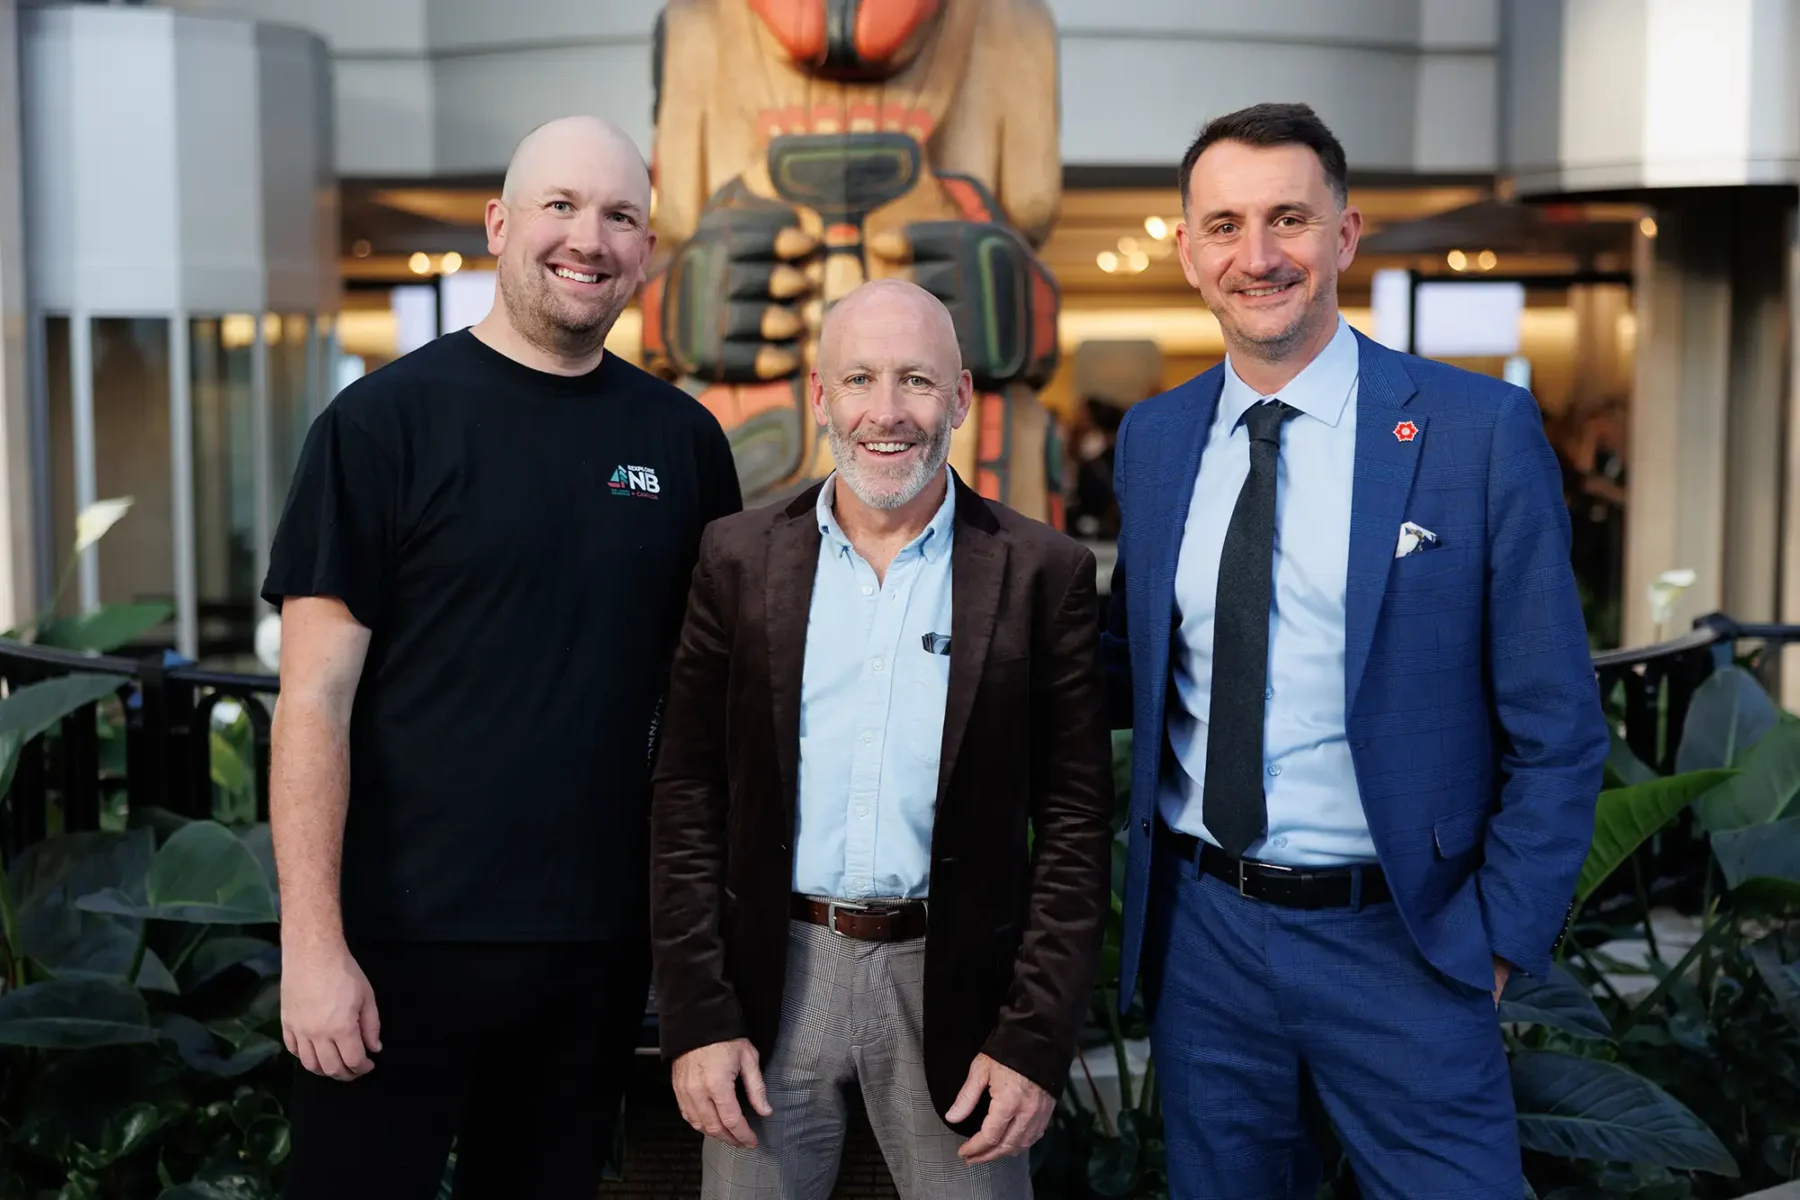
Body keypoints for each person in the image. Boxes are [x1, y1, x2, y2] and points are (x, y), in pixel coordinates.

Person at [1102, 103, 1608, 1198]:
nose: (1259, 254)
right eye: (1225, 224)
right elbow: (1123, 669)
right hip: (1208, 938)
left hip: (1406, 942)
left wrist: (1496, 946)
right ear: (1186, 250)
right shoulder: (1153, 441)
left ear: (1346, 233)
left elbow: (1558, 726)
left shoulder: (1477, 433)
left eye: (1290, 217)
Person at [264, 115, 743, 1199]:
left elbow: (705, 705)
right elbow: (312, 705)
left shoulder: (682, 444)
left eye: (622, 215)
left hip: (594, 952)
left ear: (648, 251)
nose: (591, 238)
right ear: (499, 226)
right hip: (393, 950)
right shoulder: (380, 427)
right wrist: (312, 947)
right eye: (562, 207)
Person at [650, 278, 1113, 1200]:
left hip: (958, 984)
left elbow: (1074, 825)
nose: (887, 413)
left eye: (916, 381)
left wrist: (1032, 1039)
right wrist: (698, 1016)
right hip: (772, 976)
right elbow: (685, 795)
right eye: (859, 380)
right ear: (819, 398)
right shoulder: (737, 558)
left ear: (962, 397)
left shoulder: (1041, 573)